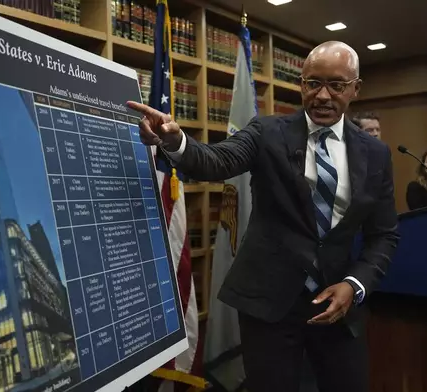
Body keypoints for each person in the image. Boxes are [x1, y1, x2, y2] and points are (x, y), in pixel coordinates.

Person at [127, 40, 400, 392]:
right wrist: (176, 141)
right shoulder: (267, 132)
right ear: (301, 84)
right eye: (313, 83)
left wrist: (354, 285)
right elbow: (217, 160)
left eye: (337, 85)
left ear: (356, 89)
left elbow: (383, 235)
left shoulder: (376, 154)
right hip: (268, 304)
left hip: (338, 305)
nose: (322, 95)